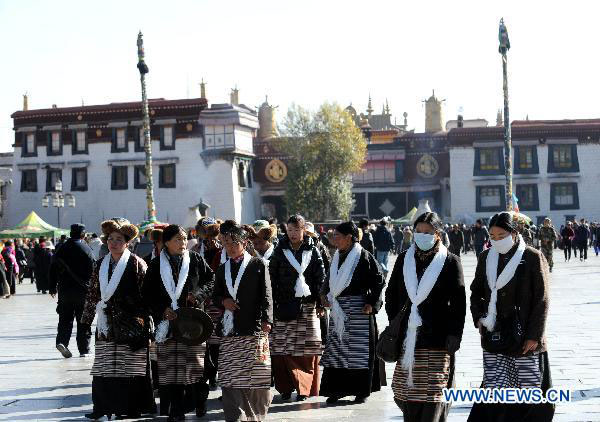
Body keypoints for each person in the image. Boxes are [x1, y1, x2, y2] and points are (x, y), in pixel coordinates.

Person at [468, 212, 554, 421]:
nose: (497, 240)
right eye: (493, 236)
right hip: (496, 336)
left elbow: (542, 299)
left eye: (502, 235)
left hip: (526, 338)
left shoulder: (532, 257)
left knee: (531, 394)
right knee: (496, 393)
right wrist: (480, 318)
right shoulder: (486, 257)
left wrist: (534, 335)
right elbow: (476, 292)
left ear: (514, 233)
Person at [386, 212, 466, 421]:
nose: (422, 235)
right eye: (418, 231)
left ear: (437, 234)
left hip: (437, 339)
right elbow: (391, 293)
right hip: (408, 336)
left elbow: (458, 304)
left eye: (427, 232)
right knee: (408, 393)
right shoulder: (404, 259)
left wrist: (454, 335)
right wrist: (397, 322)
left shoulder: (450, 261)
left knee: (434, 394)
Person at [81, 218, 155, 420]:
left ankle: (130, 408)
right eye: (111, 239)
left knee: (128, 367)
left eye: (119, 239)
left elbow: (148, 295)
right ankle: (102, 407)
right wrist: (85, 321)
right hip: (106, 323)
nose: (114, 243)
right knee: (105, 367)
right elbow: (92, 294)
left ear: (128, 242)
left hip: (131, 323)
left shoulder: (137, 263)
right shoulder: (100, 264)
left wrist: (148, 325)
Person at [142, 224, 214, 421]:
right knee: (171, 370)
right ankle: (176, 409)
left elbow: (211, 281)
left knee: (196, 366)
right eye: (177, 240)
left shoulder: (196, 260)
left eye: (184, 238)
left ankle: (200, 400)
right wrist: (161, 309)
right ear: (166, 242)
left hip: (193, 323)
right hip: (169, 324)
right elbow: (147, 294)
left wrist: (198, 295)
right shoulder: (156, 265)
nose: (183, 243)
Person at [212, 221, 274, 421]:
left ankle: (255, 415)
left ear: (245, 243)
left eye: (234, 243)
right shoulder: (223, 269)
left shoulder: (258, 265)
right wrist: (224, 301)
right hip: (231, 329)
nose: (230, 248)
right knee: (230, 377)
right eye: (226, 243)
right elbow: (215, 295)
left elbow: (267, 295)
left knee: (257, 375)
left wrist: (268, 320)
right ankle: (235, 416)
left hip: (254, 326)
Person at [319, 221, 385, 404]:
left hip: (359, 311)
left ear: (349, 238)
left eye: (337, 236)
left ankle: (361, 391)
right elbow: (329, 279)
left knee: (358, 353)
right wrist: (323, 294)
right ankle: (336, 390)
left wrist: (372, 303)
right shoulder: (337, 256)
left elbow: (379, 281)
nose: (333, 239)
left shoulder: (363, 256)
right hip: (339, 310)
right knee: (337, 351)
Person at [268, 214, 326, 401]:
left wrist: (320, 303)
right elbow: (271, 278)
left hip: (307, 306)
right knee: (282, 348)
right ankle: (285, 387)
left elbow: (320, 278)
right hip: (284, 306)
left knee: (308, 348)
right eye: (289, 230)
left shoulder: (313, 250)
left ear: (303, 230)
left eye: (296, 230)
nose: (292, 234)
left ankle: (304, 388)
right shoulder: (279, 250)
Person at [49, 224, 94, 358]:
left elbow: (53, 268)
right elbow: (93, 270)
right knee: (83, 321)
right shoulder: (86, 248)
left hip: (65, 291)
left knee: (65, 319)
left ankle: (62, 342)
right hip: (82, 291)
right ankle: (83, 349)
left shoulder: (62, 248)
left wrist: (52, 287)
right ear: (83, 235)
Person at [193, 217, 224, 390]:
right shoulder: (196, 250)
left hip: (219, 301)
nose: (209, 239)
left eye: (211, 235)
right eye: (205, 235)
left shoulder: (223, 250)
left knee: (217, 341)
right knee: (205, 339)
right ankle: (208, 373)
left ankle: (217, 374)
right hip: (202, 300)